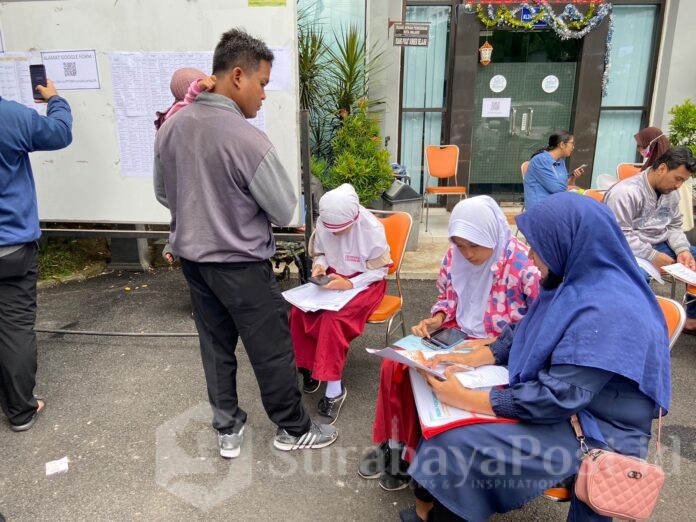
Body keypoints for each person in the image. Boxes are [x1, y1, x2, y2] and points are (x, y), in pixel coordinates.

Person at [403, 192, 671, 522]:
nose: (530, 256)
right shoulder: (575, 278)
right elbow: (529, 326)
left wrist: (471, 398)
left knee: (456, 442)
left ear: (566, 241)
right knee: (446, 427)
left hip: (595, 426)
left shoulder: (608, 308)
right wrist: (486, 353)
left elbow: (557, 397)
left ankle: (441, 514)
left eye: (536, 246)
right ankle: (437, 510)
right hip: (572, 405)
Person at [154, 28, 337, 458]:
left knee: (216, 345)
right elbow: (282, 208)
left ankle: (228, 428)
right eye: (263, 84)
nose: (264, 95)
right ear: (239, 76)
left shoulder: (171, 126)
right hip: (241, 265)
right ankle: (292, 428)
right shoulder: (246, 138)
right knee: (270, 347)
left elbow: (165, 194)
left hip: (194, 264)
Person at [359, 196, 539, 491]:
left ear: (493, 234)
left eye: (475, 245)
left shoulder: (522, 263)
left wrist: (494, 343)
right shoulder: (454, 256)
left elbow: (537, 321)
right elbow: (448, 299)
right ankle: (395, 444)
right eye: (460, 244)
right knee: (395, 365)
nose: (467, 253)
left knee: (438, 378)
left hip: (495, 347)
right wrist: (437, 319)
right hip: (455, 333)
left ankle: (419, 452)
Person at [0, 79, 72, 431]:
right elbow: (59, 133)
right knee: (14, 329)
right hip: (10, 247)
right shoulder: (8, 116)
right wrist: (55, 99)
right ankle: (21, 411)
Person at [291, 183, 390, 424]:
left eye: (342, 230)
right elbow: (323, 252)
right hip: (334, 278)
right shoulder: (326, 223)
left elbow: (380, 271)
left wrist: (351, 284)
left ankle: (334, 389)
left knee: (332, 320)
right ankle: (310, 370)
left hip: (366, 282)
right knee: (298, 311)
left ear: (354, 219)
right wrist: (320, 266)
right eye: (331, 230)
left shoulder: (372, 229)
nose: (335, 234)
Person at [604, 147, 696, 332]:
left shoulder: (671, 193)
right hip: (627, 250)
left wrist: (682, 250)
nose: (679, 185)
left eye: (683, 181)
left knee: (693, 256)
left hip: (661, 245)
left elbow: (674, 225)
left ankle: (692, 318)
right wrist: (652, 255)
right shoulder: (626, 192)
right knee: (635, 276)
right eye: (678, 178)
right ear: (662, 168)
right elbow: (617, 235)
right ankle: (635, 330)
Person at [154, 68, 216, 264]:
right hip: (210, 234)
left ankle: (173, 245)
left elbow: (162, 192)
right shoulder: (183, 115)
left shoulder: (168, 122)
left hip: (188, 226)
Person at [635, 126, 693, 231]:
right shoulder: (629, 190)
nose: (640, 149)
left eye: (641, 146)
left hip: (664, 231)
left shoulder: (664, 169)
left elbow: (674, 225)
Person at [523, 131, 585, 211]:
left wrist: (573, 177)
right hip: (540, 207)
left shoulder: (561, 161)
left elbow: (563, 186)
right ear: (562, 145)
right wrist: (571, 189)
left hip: (556, 203)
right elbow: (557, 189)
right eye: (572, 143)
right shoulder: (540, 160)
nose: (573, 147)